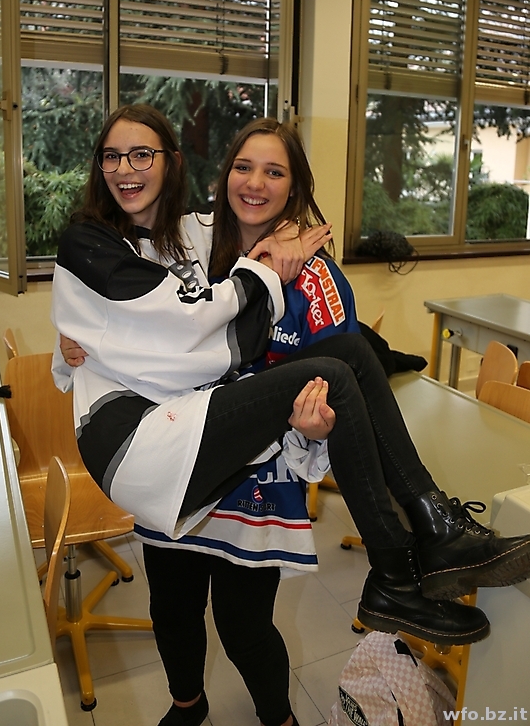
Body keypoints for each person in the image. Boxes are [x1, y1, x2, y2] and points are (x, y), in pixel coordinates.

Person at [52, 105, 530, 722]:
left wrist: (311, 437)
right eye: (243, 167)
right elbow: (129, 322)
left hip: (257, 475)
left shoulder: (306, 271)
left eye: (274, 173)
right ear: (221, 176)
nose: (255, 184)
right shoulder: (192, 241)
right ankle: (403, 560)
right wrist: (74, 344)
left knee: (245, 625)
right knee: (172, 608)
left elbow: (339, 399)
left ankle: (410, 556)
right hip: (177, 446)